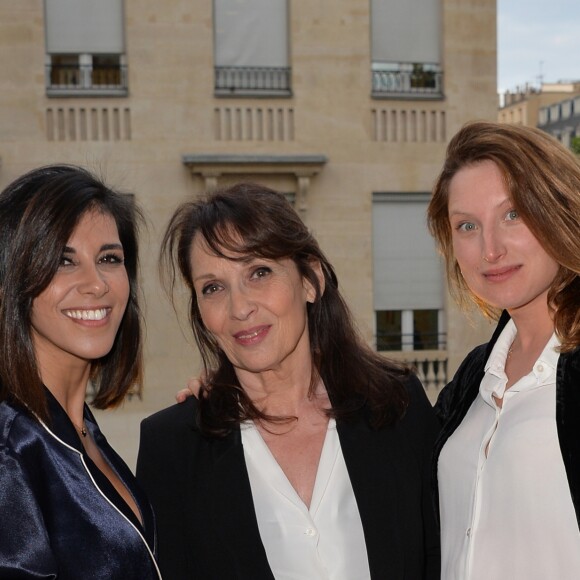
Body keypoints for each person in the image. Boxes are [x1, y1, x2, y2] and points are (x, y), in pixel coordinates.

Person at [136, 183, 440, 579]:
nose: (240, 307)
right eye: (213, 287)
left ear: (310, 280)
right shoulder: (172, 449)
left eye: (259, 272)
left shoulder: (398, 407)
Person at [427, 121, 580, 580]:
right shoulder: (476, 376)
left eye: (512, 214)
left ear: (558, 209)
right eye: (467, 225)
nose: (489, 249)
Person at [0, 165, 161, 579]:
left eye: (109, 258)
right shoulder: (11, 445)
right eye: (63, 261)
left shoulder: (80, 430)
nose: (96, 284)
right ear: (14, 279)